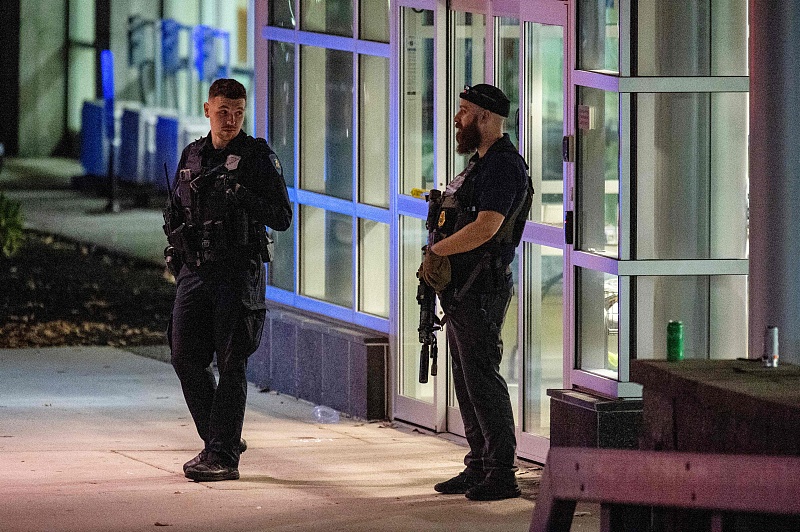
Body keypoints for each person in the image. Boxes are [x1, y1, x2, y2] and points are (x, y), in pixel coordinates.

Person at [162, 78, 292, 482]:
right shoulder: (192, 155)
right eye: (223, 112)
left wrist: (242, 196)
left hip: (237, 275)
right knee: (184, 356)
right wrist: (175, 253)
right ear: (207, 110)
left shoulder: (256, 157)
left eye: (238, 112)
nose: (231, 120)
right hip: (195, 272)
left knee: (233, 363)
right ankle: (221, 438)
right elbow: (173, 212)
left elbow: (282, 217)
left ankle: (222, 457)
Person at [420, 84, 532, 501]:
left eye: (464, 112)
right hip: (462, 288)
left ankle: (502, 471)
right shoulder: (479, 164)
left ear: (485, 118)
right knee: (467, 380)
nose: (456, 119)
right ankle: (480, 463)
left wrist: (437, 250)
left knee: (482, 378)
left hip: (480, 288)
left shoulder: (504, 167)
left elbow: (487, 226)